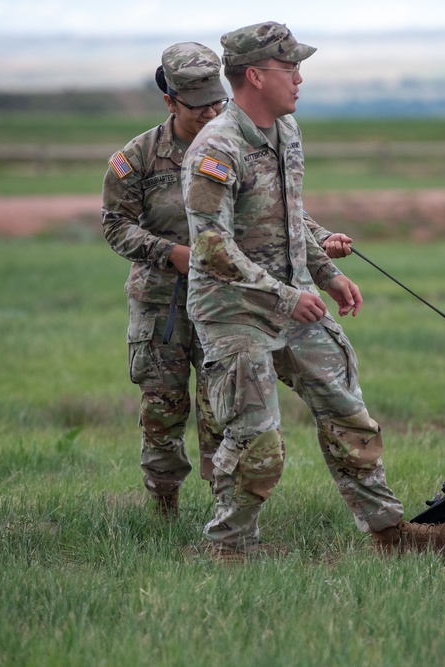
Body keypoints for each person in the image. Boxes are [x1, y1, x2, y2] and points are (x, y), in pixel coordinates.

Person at [182, 21, 445, 559]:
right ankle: (229, 548)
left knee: (348, 411)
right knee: (257, 443)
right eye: (290, 68)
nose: (299, 79)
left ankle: (390, 535)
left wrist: (327, 273)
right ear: (255, 76)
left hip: (294, 300)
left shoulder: (286, 132)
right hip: (234, 311)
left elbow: (289, 218)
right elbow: (212, 249)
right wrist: (288, 296)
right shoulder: (215, 150)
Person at [101, 42, 352, 520]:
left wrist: (321, 242)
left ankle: (225, 511)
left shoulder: (236, 140)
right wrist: (171, 254)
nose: (210, 112)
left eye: (216, 102)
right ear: (170, 102)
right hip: (163, 309)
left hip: (227, 301)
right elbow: (115, 225)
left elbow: (278, 211)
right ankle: (164, 506)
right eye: (197, 107)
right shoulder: (135, 159)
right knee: (164, 409)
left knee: (223, 412)